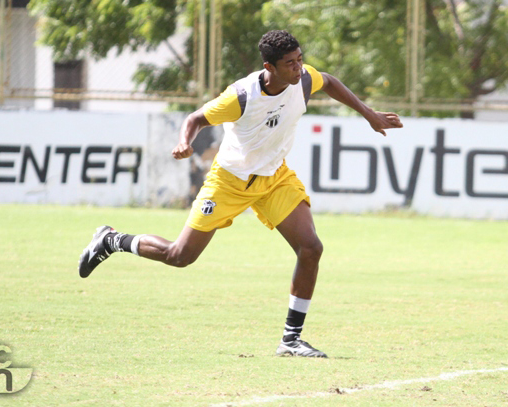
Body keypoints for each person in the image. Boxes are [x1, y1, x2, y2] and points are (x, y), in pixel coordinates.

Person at [78, 29, 402, 357]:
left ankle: (290, 340)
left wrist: (369, 115)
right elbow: (195, 118)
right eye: (290, 63)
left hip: (275, 179)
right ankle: (111, 240)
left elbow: (329, 81)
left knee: (311, 248)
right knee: (180, 256)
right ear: (269, 67)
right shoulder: (242, 96)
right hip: (229, 182)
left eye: (300, 59)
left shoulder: (303, 81)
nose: (299, 67)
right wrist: (184, 142)